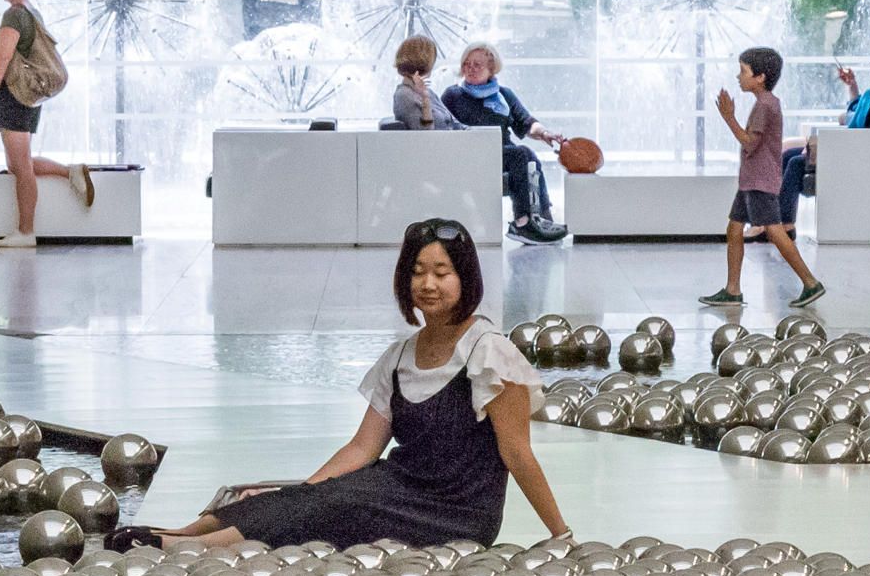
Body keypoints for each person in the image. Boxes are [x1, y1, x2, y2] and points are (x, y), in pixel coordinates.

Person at [109, 220, 569, 551]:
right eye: (416, 272)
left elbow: (517, 452)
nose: (427, 283)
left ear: (465, 279)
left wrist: (561, 534)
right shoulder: (399, 357)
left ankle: (186, 551)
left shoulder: (490, 354)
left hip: (454, 512)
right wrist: (303, 491)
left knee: (338, 505)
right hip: (394, 486)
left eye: (442, 272)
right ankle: (184, 533)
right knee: (305, 498)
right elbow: (362, 449)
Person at [699, 47, 826, 309]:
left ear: (760, 77)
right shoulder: (766, 103)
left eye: (743, 71)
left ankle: (810, 282)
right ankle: (733, 290)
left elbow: (749, 143)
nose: (738, 76)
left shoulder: (765, 106)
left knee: (775, 232)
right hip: (752, 180)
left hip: (759, 181)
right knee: (734, 228)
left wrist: (728, 117)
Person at [0, 0, 95, 250]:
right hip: (29, 97)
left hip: (13, 96)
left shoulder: (14, 15)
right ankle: (69, 172)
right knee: (17, 163)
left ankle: (25, 231)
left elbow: (4, 56)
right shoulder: (33, 13)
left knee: (20, 166)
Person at [778, 46, 870, 234]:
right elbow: (852, 129)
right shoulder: (867, 97)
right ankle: (778, 221)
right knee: (788, 155)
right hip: (855, 151)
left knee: (796, 163)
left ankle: (784, 226)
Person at [442, 45, 567, 243]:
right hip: (468, 155)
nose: (470, 68)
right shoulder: (453, 95)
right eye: (467, 64)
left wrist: (544, 133)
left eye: (477, 65)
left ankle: (542, 217)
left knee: (529, 157)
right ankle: (523, 222)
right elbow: (442, 128)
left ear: (491, 69)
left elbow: (526, 122)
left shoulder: (503, 95)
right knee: (521, 154)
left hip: (501, 154)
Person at [391, 35, 463, 130]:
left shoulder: (427, 91)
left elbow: (453, 122)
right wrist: (425, 100)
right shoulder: (404, 95)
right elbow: (425, 134)